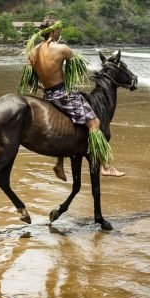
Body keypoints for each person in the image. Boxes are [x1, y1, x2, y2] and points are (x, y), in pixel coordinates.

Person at [28, 15, 125, 180]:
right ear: (52, 32)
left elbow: (32, 81)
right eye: (58, 30)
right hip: (63, 95)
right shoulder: (62, 49)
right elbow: (76, 67)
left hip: (47, 95)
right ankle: (106, 166)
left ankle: (59, 165)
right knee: (94, 122)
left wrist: (45, 85)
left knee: (67, 124)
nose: (60, 33)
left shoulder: (32, 52)